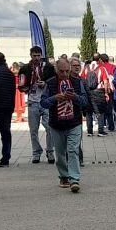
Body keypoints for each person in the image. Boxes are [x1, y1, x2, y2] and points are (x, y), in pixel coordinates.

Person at [41, 58, 88, 193]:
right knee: (60, 153)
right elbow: (43, 103)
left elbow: (84, 101)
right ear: (56, 70)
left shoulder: (78, 82)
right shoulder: (50, 83)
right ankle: (63, 176)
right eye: (61, 71)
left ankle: (74, 179)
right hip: (56, 124)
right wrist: (55, 98)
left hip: (74, 123)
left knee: (73, 150)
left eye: (67, 71)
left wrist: (74, 97)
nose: (65, 74)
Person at [18, 47, 55, 164]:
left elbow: (54, 82)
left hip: (46, 101)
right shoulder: (25, 68)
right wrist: (25, 87)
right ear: (30, 55)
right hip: (32, 101)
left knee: (49, 127)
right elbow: (21, 84)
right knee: (33, 129)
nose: (36, 58)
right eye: (34, 56)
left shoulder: (48, 67)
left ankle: (50, 151)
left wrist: (45, 83)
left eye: (38, 55)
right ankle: (36, 153)